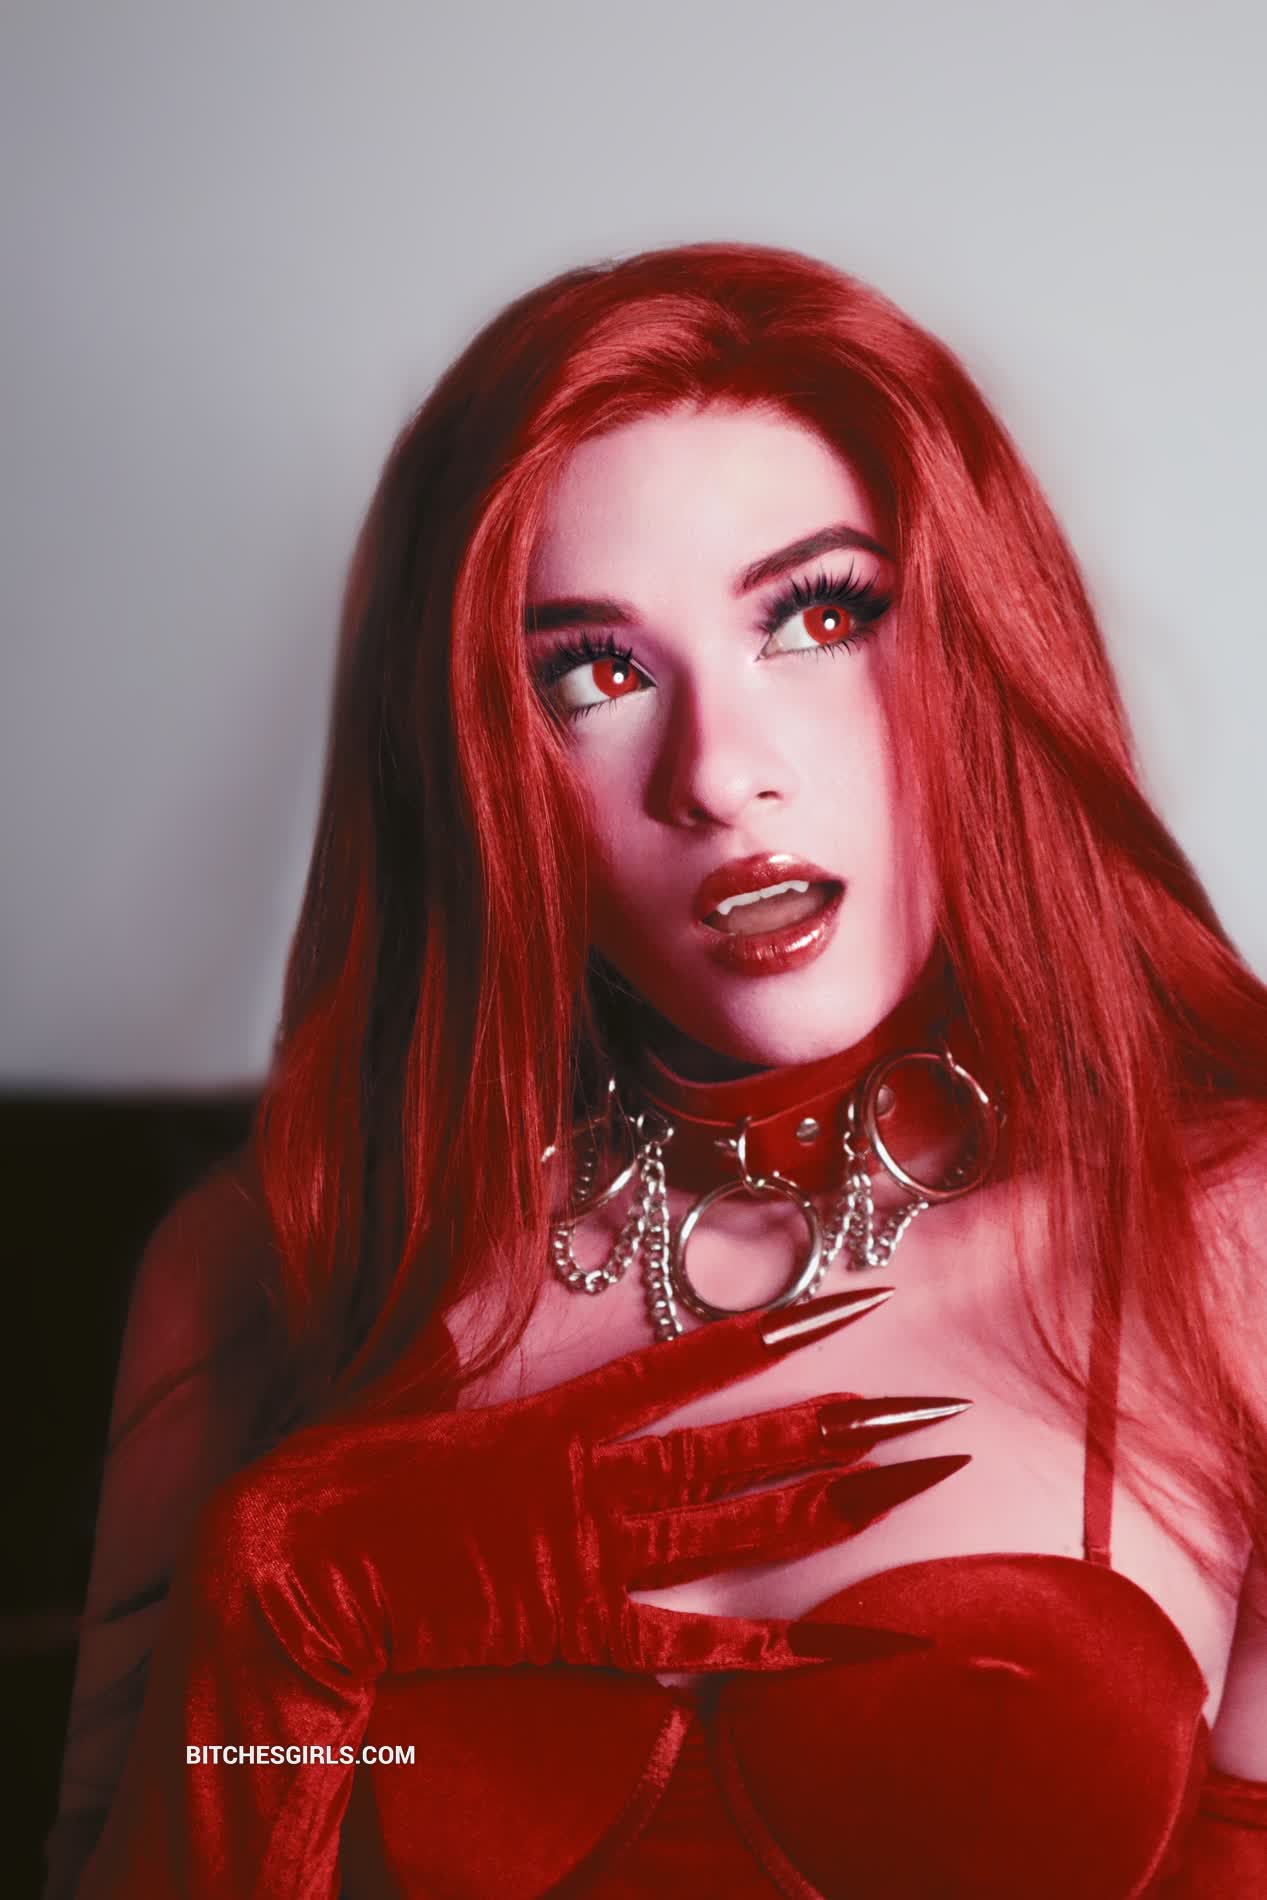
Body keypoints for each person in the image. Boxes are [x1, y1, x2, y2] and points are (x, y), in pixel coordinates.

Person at [48, 241, 1267, 1897]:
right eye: (595, 672)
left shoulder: (1231, 1241)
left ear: (983, 649)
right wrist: (270, 1624)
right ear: (480, 765)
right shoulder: (272, 1272)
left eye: (819, 617)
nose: (719, 773)